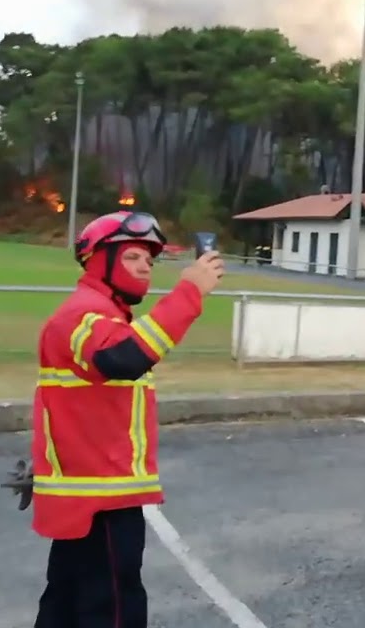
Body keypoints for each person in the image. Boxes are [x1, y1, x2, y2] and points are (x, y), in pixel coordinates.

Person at [29, 211, 225, 628]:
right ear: (100, 259)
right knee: (112, 608)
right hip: (99, 500)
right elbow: (123, 359)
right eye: (133, 256)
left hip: (90, 495)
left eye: (150, 261)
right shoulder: (85, 315)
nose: (144, 268)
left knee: (66, 605)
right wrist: (190, 292)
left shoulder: (105, 316)